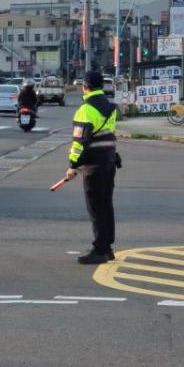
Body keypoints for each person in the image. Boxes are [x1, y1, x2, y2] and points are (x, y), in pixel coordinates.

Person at [64, 71, 120, 264]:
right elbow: (109, 134)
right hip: (109, 161)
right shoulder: (110, 107)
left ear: (85, 87)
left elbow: (80, 142)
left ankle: (100, 249)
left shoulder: (86, 109)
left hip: (94, 165)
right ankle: (107, 247)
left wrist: (73, 164)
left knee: (96, 207)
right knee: (106, 205)